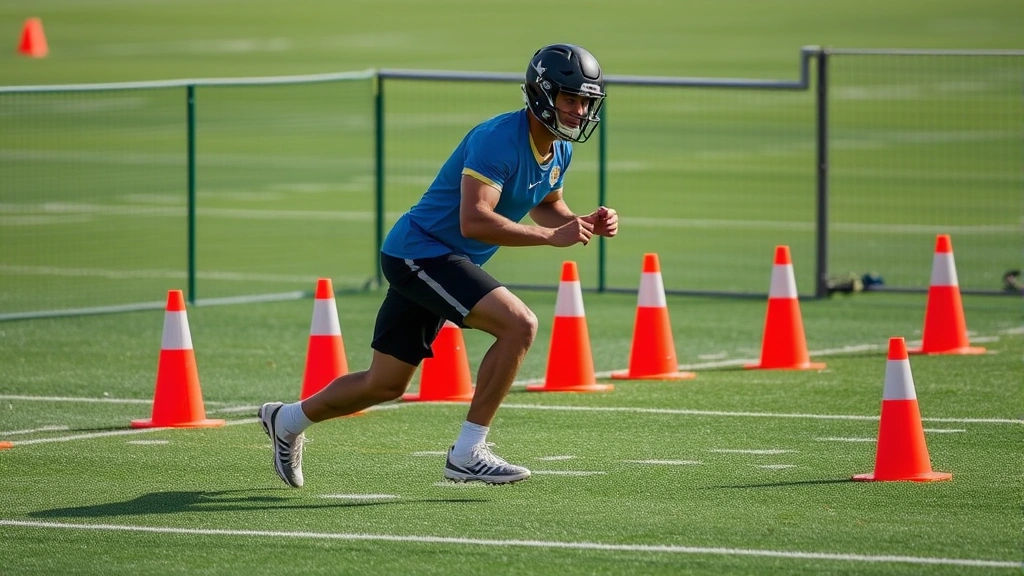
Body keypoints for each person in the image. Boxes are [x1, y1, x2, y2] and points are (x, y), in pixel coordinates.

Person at [259, 43, 618, 487]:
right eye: (570, 98)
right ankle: (468, 451)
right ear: (541, 94)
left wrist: (578, 222)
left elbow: (548, 204)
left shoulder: (559, 149)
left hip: (437, 257)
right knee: (519, 325)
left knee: (384, 384)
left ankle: (287, 420)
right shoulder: (497, 139)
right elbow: (474, 220)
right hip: (420, 253)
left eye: (586, 101)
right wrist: (550, 237)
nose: (580, 110)